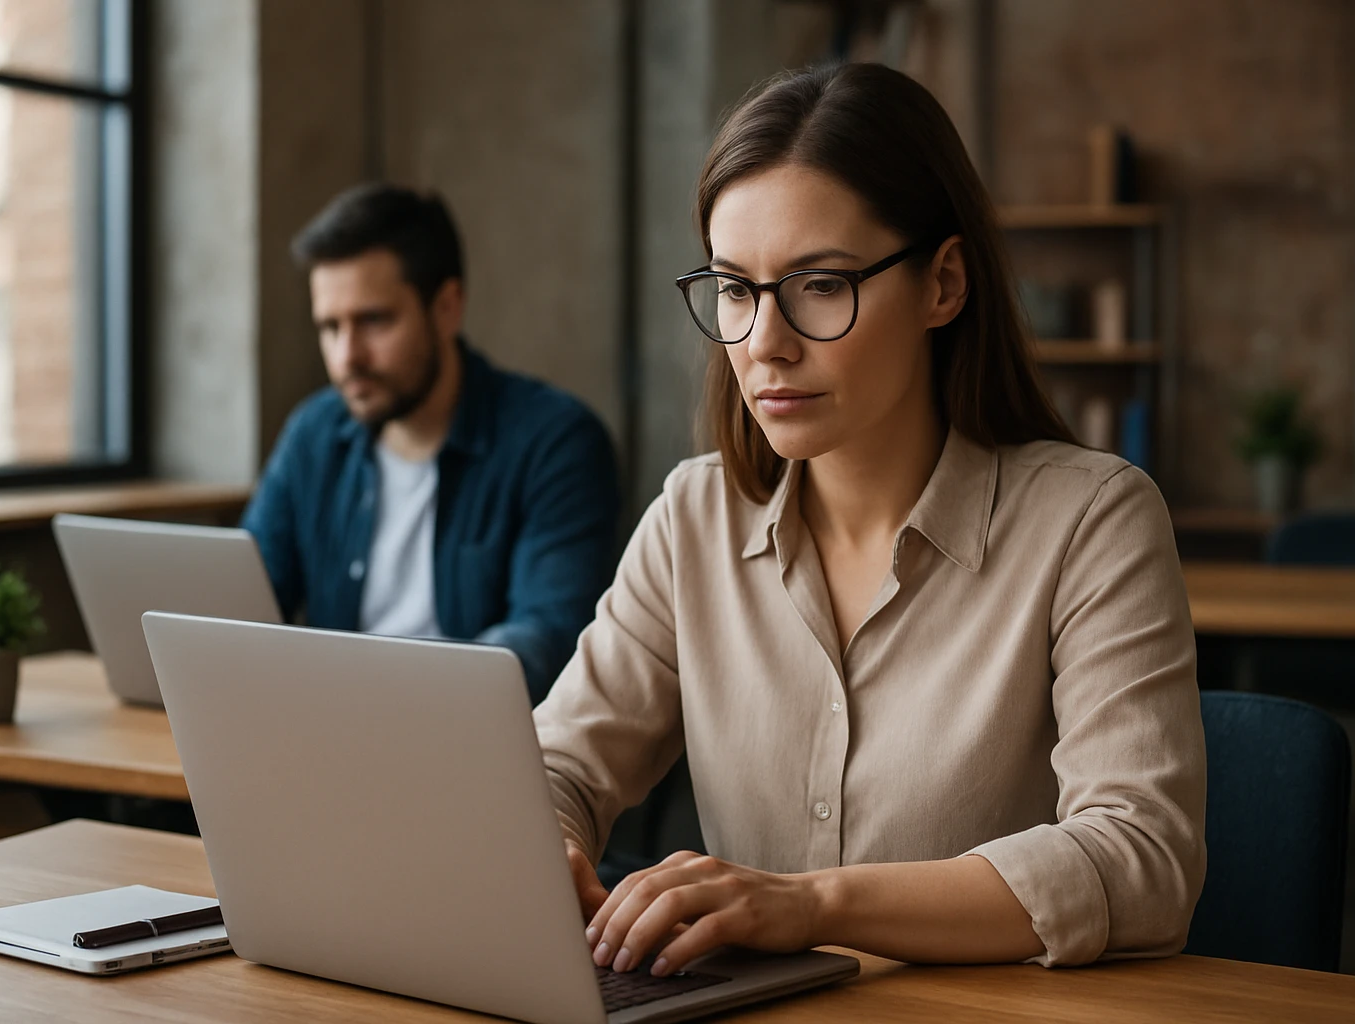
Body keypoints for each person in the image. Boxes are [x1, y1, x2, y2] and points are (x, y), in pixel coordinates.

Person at [533, 63, 1205, 976]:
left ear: (944, 284)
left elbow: (1142, 860)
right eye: (735, 289)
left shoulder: (1092, 520)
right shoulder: (695, 515)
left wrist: (810, 904)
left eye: (818, 284)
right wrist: (546, 849)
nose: (766, 340)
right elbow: (560, 763)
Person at [242, 184, 619, 702]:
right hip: (332, 733)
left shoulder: (556, 440)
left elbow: (550, 637)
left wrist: (391, 698)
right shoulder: (314, 434)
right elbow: (248, 602)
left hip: (473, 742)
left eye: (373, 321)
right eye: (330, 328)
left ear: (446, 307)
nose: (346, 356)